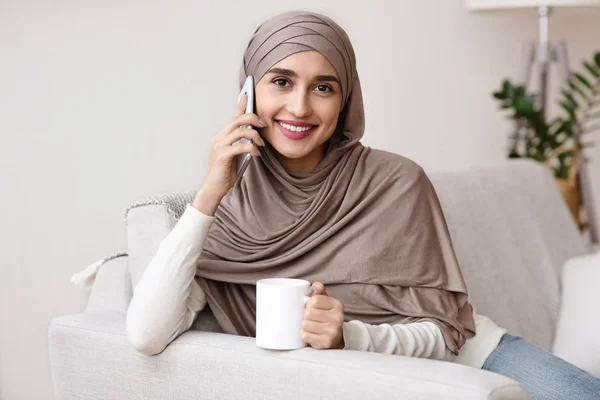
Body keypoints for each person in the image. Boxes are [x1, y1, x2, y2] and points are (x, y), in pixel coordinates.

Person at [125, 10, 600, 399]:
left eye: (324, 87)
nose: (300, 108)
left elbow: (444, 333)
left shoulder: (397, 182)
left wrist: (347, 336)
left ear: (345, 98)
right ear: (248, 93)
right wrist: (210, 192)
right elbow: (147, 334)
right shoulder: (230, 212)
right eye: (281, 82)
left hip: (474, 362)